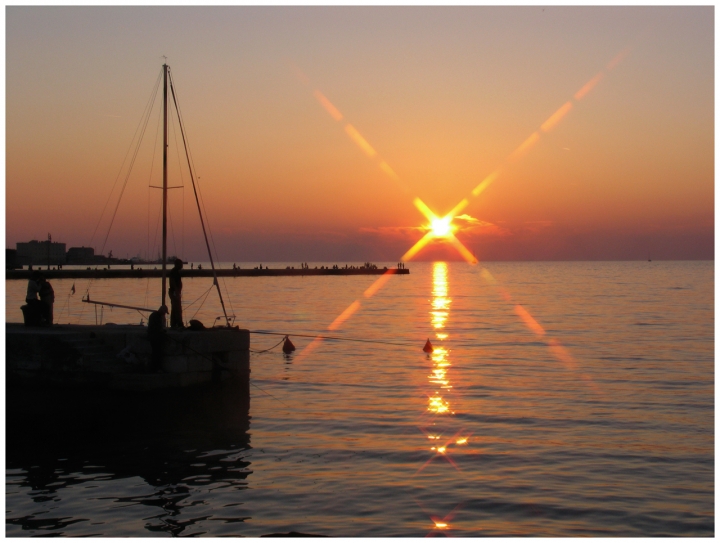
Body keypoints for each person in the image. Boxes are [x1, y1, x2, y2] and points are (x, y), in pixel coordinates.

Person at [147, 305, 168, 372]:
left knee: (156, 353)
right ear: (162, 311)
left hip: (154, 336)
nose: (164, 314)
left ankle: (154, 368)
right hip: (154, 337)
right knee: (156, 353)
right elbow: (156, 327)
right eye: (164, 312)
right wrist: (161, 331)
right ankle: (155, 368)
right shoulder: (156, 316)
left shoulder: (155, 315)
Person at [168, 258, 184, 328]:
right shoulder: (174, 272)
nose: (182, 266)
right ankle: (178, 324)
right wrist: (176, 291)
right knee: (177, 308)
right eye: (181, 264)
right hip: (174, 292)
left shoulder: (176, 272)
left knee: (175, 309)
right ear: (177, 264)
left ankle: (174, 324)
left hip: (175, 292)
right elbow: (172, 281)